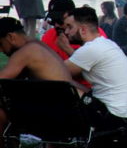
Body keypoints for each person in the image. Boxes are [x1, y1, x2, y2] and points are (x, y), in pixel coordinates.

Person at [0, 17, 77, 148]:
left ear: (10, 37)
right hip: (65, 108)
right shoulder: (37, 45)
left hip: (60, 113)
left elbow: (2, 78)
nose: (1, 50)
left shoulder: (27, 51)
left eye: (0, 45)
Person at [64, 6, 127, 128]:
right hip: (121, 114)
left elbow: (55, 72)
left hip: (110, 116)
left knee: (58, 87)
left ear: (82, 30)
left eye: (70, 27)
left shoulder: (91, 49)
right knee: (66, 83)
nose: (66, 32)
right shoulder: (106, 44)